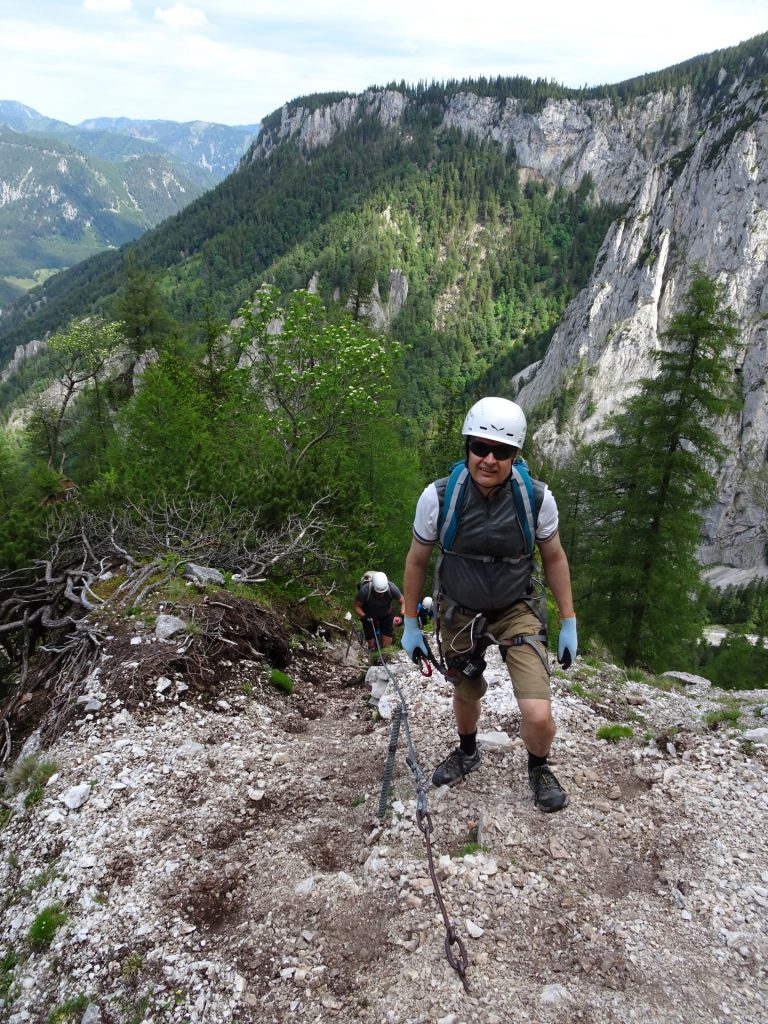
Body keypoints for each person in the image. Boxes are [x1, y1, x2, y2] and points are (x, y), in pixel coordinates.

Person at [401, 396, 577, 812]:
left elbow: (554, 557)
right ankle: (467, 750)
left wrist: (568, 619)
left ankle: (538, 767)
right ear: (467, 447)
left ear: (516, 455)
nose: (489, 459)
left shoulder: (535, 498)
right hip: (459, 610)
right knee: (467, 691)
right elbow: (416, 559)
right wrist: (411, 622)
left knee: (537, 713)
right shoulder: (439, 497)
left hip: (516, 608)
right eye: (480, 447)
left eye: (501, 452)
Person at [353, 571, 405, 651]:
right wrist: (364, 616)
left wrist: (403, 615)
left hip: (386, 614)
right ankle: (372, 651)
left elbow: (403, 601)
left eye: (383, 592)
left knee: (387, 645)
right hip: (369, 616)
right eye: (378, 592)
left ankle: (386, 656)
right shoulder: (365, 590)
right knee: (371, 643)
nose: (380, 594)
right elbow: (357, 606)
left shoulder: (392, 587)